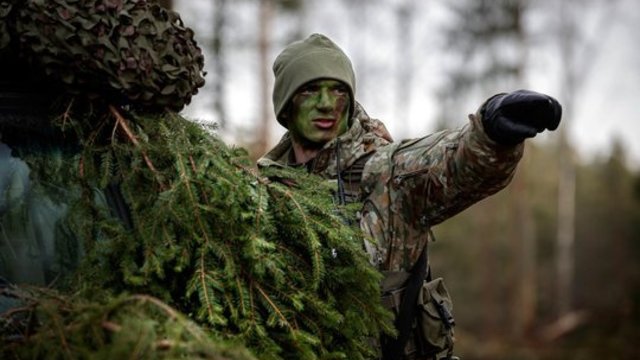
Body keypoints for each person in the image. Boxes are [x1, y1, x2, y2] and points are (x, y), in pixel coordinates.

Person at [258, 33, 562, 360]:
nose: (327, 103)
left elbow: (445, 161)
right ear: (286, 106)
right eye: (309, 90)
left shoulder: (383, 172)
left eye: (337, 90)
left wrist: (490, 133)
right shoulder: (262, 189)